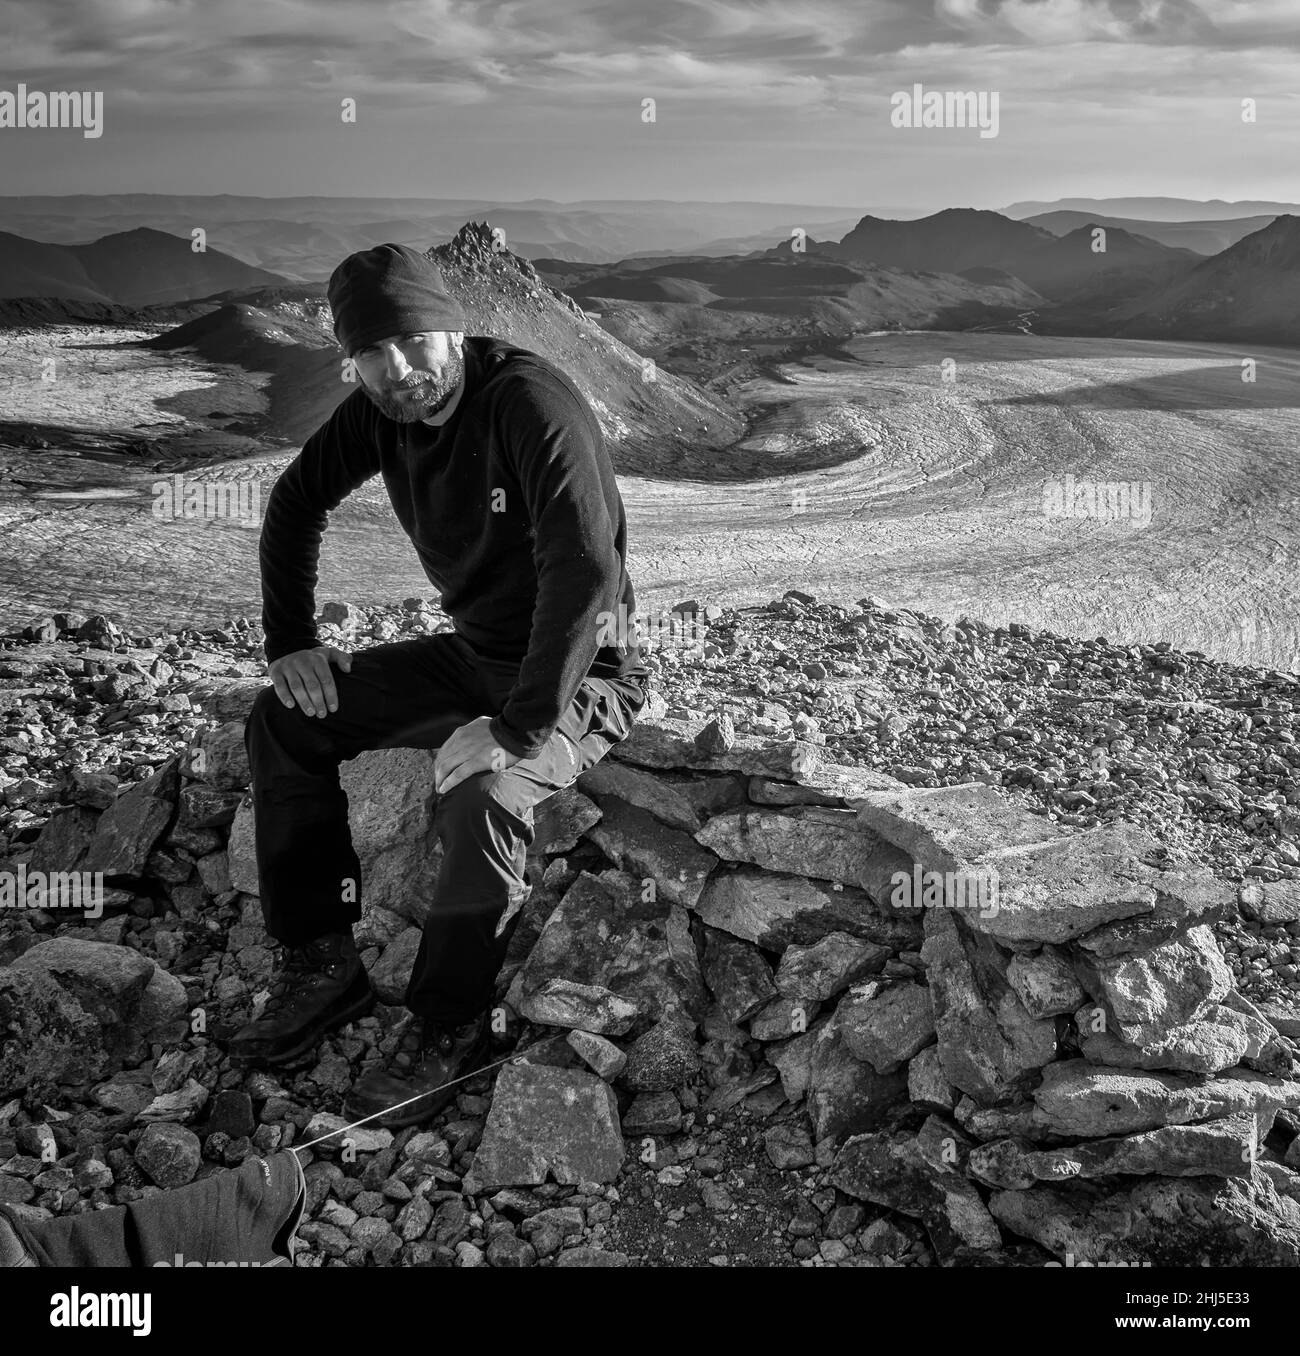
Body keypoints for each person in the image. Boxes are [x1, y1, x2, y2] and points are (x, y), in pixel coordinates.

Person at [227, 242, 650, 1129]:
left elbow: (583, 568)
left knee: (487, 793)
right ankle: (319, 963)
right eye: (372, 354)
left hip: (582, 671)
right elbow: (295, 501)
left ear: (451, 324)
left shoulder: (526, 402)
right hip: (474, 657)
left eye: (413, 341)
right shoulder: (382, 411)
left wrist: (521, 726)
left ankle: (446, 1024)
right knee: (287, 718)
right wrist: (290, 642)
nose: (398, 369)